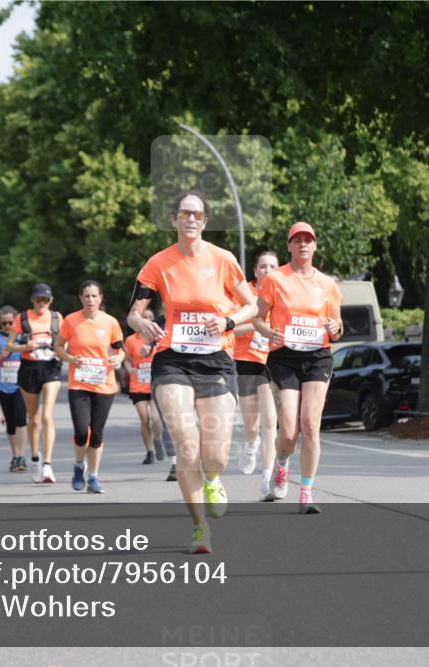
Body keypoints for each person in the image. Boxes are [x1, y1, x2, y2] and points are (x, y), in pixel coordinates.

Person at [128, 191, 257, 554]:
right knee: (187, 445)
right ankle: (200, 528)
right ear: (173, 219)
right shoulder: (158, 263)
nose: (190, 219)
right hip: (172, 359)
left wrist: (228, 320)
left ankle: (213, 477)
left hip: (215, 360)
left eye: (196, 215)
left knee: (214, 454)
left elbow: (251, 306)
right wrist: (142, 324)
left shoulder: (223, 260)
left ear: (204, 221)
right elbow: (134, 312)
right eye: (184, 213)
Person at [253, 222, 343, 514]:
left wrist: (334, 326)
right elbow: (257, 319)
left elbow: (338, 329)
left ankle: (306, 493)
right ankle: (281, 464)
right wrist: (269, 333)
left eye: (308, 240)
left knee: (310, 426)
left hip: (318, 356)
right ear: (289, 246)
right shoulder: (275, 280)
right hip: (284, 357)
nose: (303, 244)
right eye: (297, 240)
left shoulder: (328, 284)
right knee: (289, 430)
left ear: (315, 246)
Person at [55, 280, 125, 494]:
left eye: (94, 296)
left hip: (104, 384)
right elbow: (58, 346)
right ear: (81, 298)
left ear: (101, 298)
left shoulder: (111, 322)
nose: (90, 300)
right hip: (79, 383)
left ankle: (93, 476)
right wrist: (70, 358)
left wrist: (118, 359)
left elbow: (120, 349)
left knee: (97, 434)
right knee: (80, 431)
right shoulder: (71, 321)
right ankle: (78, 466)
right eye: (86, 296)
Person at [232, 251, 280, 498]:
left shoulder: (283, 293)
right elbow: (230, 330)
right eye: (263, 266)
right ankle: (251, 444)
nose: (268, 270)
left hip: (271, 360)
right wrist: (257, 325)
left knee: (270, 420)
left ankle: (267, 476)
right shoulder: (246, 294)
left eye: (273, 266)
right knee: (252, 423)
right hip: (246, 360)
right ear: (255, 271)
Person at [10, 283, 64, 484]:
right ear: (32, 300)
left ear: (51, 301)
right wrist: (25, 346)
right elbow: (9, 346)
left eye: (45, 300)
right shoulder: (22, 319)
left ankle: (48, 464)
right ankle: (35, 457)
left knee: (47, 415)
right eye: (38, 299)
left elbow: (64, 343)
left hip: (51, 367)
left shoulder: (58, 318)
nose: (41, 303)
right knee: (34, 419)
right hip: (29, 369)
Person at [0, 306, 29, 472]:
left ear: (16, 321)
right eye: (4, 323)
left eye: (10, 322)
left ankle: (21, 456)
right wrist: (1, 356)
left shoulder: (22, 337)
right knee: (11, 423)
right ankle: (15, 455)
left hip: (21, 385)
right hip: (4, 387)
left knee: (21, 419)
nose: (7, 326)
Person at [124, 309, 166, 465]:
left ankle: (158, 439)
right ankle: (149, 451)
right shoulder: (130, 340)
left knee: (156, 419)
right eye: (144, 317)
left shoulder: (159, 337)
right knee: (144, 419)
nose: (147, 319)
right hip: (138, 385)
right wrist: (129, 369)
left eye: (150, 317)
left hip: (155, 384)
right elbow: (127, 359)